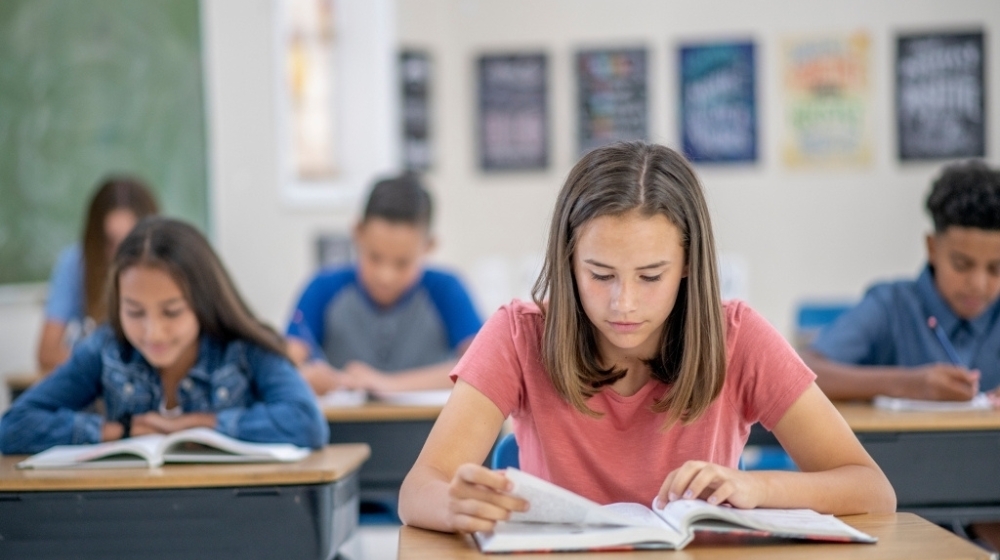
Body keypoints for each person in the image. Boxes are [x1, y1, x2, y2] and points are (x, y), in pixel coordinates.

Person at [398, 141, 895, 533]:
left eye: (651, 276)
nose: (624, 303)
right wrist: (455, 504)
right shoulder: (517, 333)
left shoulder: (737, 336)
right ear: (568, 262)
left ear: (687, 266)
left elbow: (871, 489)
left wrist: (754, 485)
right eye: (600, 273)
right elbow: (419, 489)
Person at [0, 217, 328, 454]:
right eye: (134, 312)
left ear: (202, 302)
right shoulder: (105, 349)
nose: (153, 332)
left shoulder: (245, 348)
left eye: (171, 312)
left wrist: (201, 424)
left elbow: (307, 422)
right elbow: (13, 427)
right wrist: (121, 431)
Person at [804, 160, 1000, 403]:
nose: (978, 284)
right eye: (962, 265)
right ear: (932, 248)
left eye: (995, 268)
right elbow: (803, 372)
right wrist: (906, 384)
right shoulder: (890, 306)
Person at [285, 174, 482, 394]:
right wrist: (303, 378)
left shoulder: (447, 290)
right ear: (358, 233)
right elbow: (285, 366)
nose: (385, 276)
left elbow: (482, 367)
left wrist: (388, 384)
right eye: (374, 257)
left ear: (429, 245)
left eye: (402, 263)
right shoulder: (322, 288)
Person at [37, 175, 159, 373]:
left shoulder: (170, 268)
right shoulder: (75, 263)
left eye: (131, 240)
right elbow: (47, 353)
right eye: (110, 242)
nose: (121, 255)